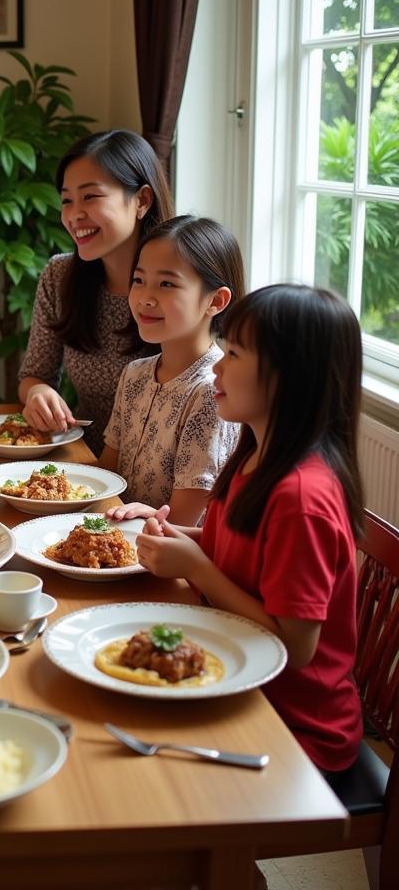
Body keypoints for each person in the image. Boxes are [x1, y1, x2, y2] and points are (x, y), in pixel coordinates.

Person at [135, 284, 363, 777]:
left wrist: (196, 567)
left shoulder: (302, 498)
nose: (217, 365)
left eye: (234, 353)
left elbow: (296, 647)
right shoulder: (254, 459)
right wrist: (177, 539)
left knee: (138, 771)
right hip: (233, 672)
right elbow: (235, 552)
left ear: (289, 377)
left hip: (292, 725)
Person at [17, 130, 173, 454]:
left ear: (142, 200)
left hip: (162, 479)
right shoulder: (60, 277)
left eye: (90, 197)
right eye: (66, 200)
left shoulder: (180, 285)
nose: (74, 215)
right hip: (84, 464)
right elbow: (34, 375)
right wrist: (36, 394)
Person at [99, 216, 244, 526]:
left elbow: (182, 524)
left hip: (172, 562)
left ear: (215, 301)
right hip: (118, 536)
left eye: (166, 284)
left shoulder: (212, 391)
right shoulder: (135, 374)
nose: (145, 298)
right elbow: (105, 477)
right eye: (139, 280)